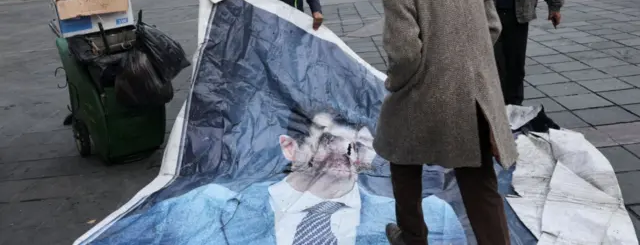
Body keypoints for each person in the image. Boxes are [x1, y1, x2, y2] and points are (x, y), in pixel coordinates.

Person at [93, 110, 466, 245]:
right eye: (329, 139)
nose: (344, 154)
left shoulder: (429, 220)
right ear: (290, 148)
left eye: (358, 145)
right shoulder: (204, 209)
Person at [371, 0, 518, 245]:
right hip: (476, 95)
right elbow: (493, 26)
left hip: (426, 95)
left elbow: (406, 54)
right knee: (479, 181)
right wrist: (462, 60)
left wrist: (395, 84)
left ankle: (412, 236)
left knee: (399, 153)